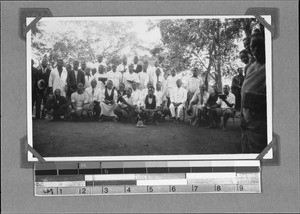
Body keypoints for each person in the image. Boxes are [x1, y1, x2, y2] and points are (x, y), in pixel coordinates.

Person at [241, 33, 267, 153]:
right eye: (253, 46)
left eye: (258, 46)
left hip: (261, 120)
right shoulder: (249, 68)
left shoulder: (270, 66)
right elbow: (243, 93)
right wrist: (242, 116)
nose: (255, 49)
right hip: (247, 118)